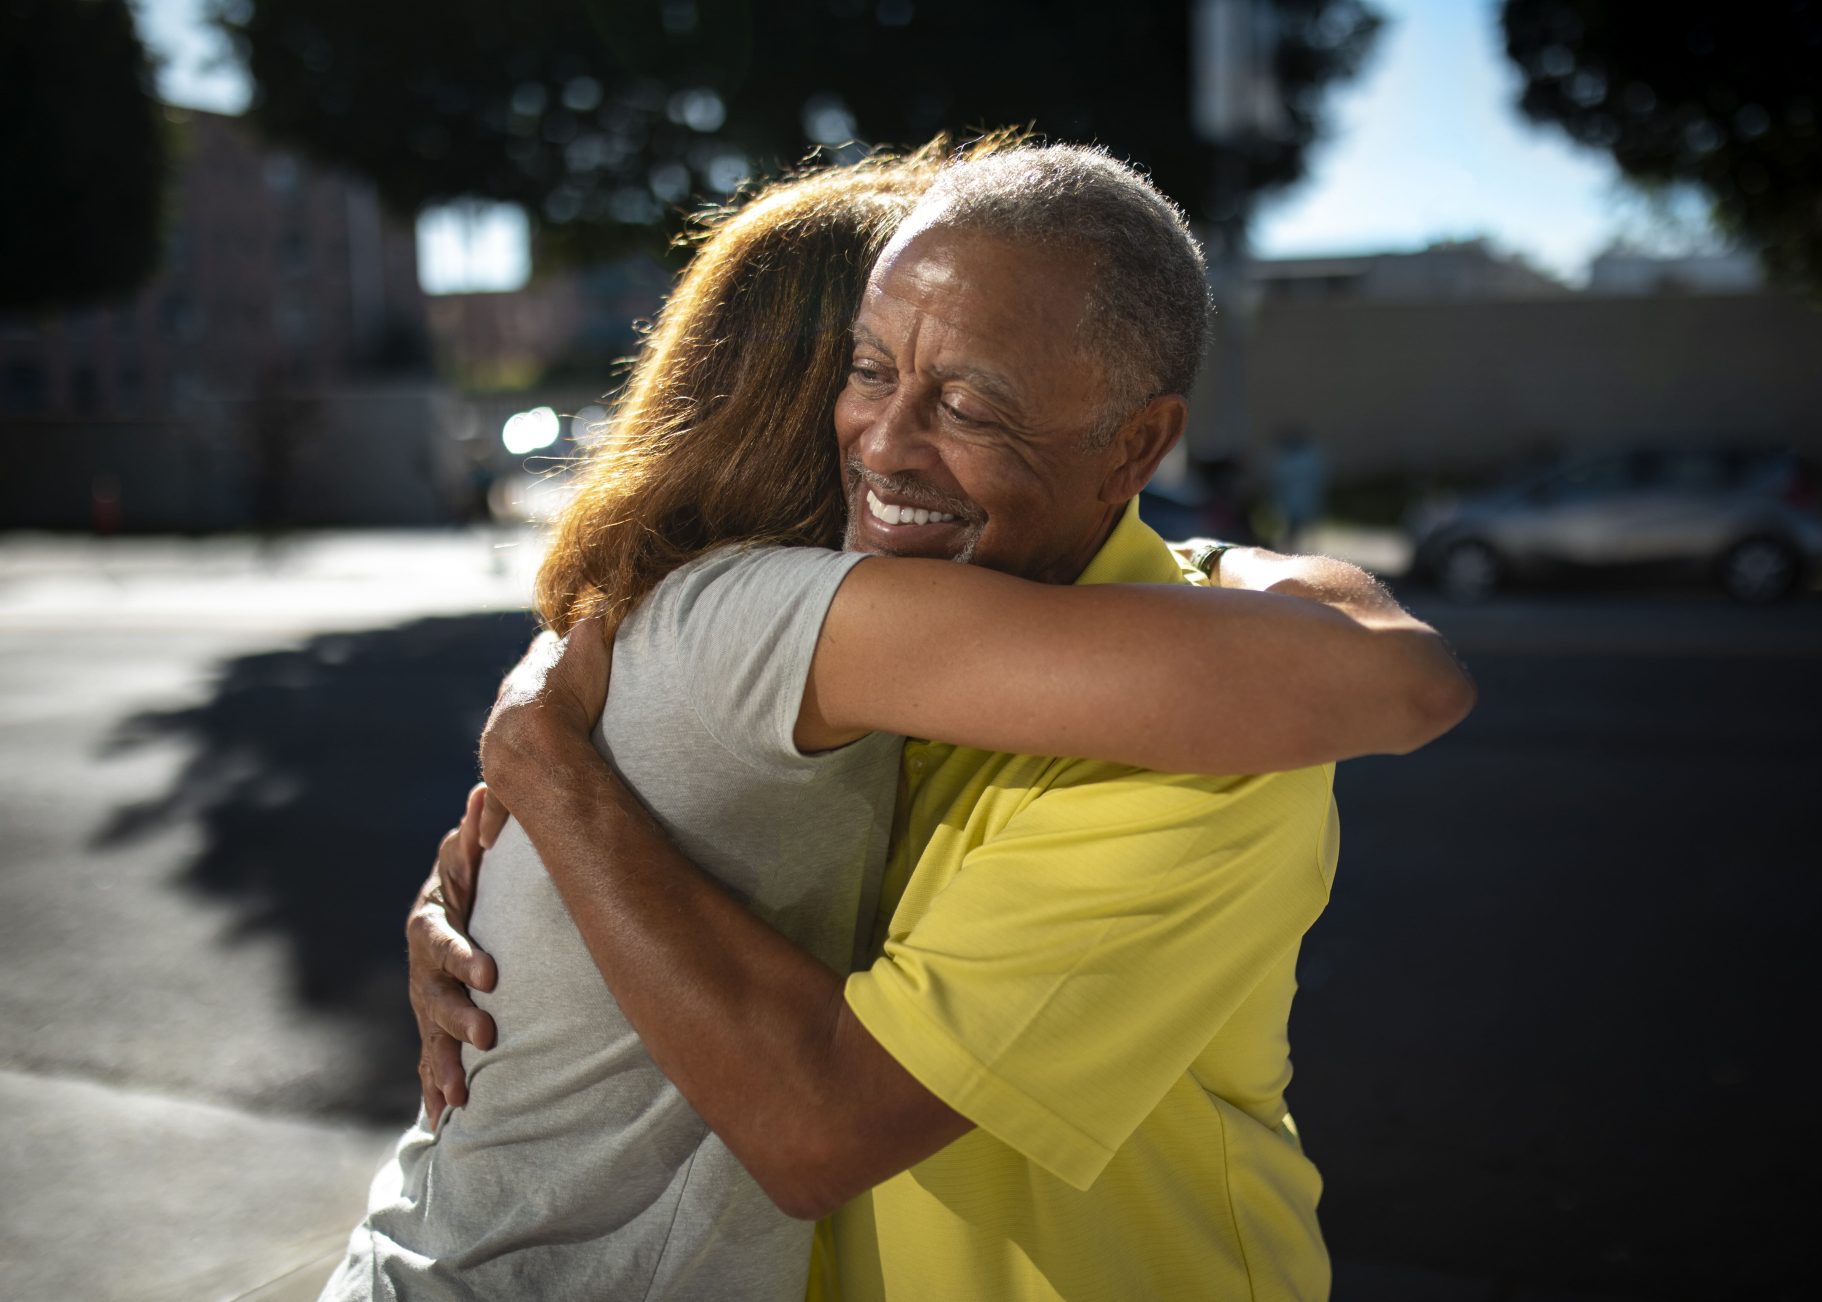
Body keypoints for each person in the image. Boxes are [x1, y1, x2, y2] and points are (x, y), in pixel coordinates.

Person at [405, 143, 1474, 1302]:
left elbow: (819, 1124)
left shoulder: (1218, 739)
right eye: (869, 370)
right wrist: (494, 906)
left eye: (967, 402)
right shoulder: (832, 625)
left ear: (1133, 448)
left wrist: (552, 778)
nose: (883, 441)